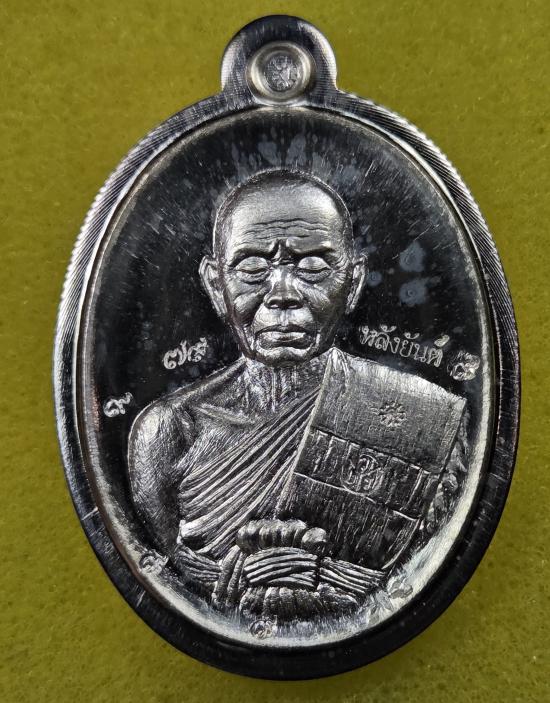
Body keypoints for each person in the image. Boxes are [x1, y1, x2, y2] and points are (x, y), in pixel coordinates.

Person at [128, 170, 466, 621]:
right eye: (252, 267)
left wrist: (330, 582)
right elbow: (170, 581)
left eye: (313, 267)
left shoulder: (425, 419)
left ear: (353, 282)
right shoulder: (170, 432)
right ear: (215, 285)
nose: (283, 293)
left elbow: (418, 573)